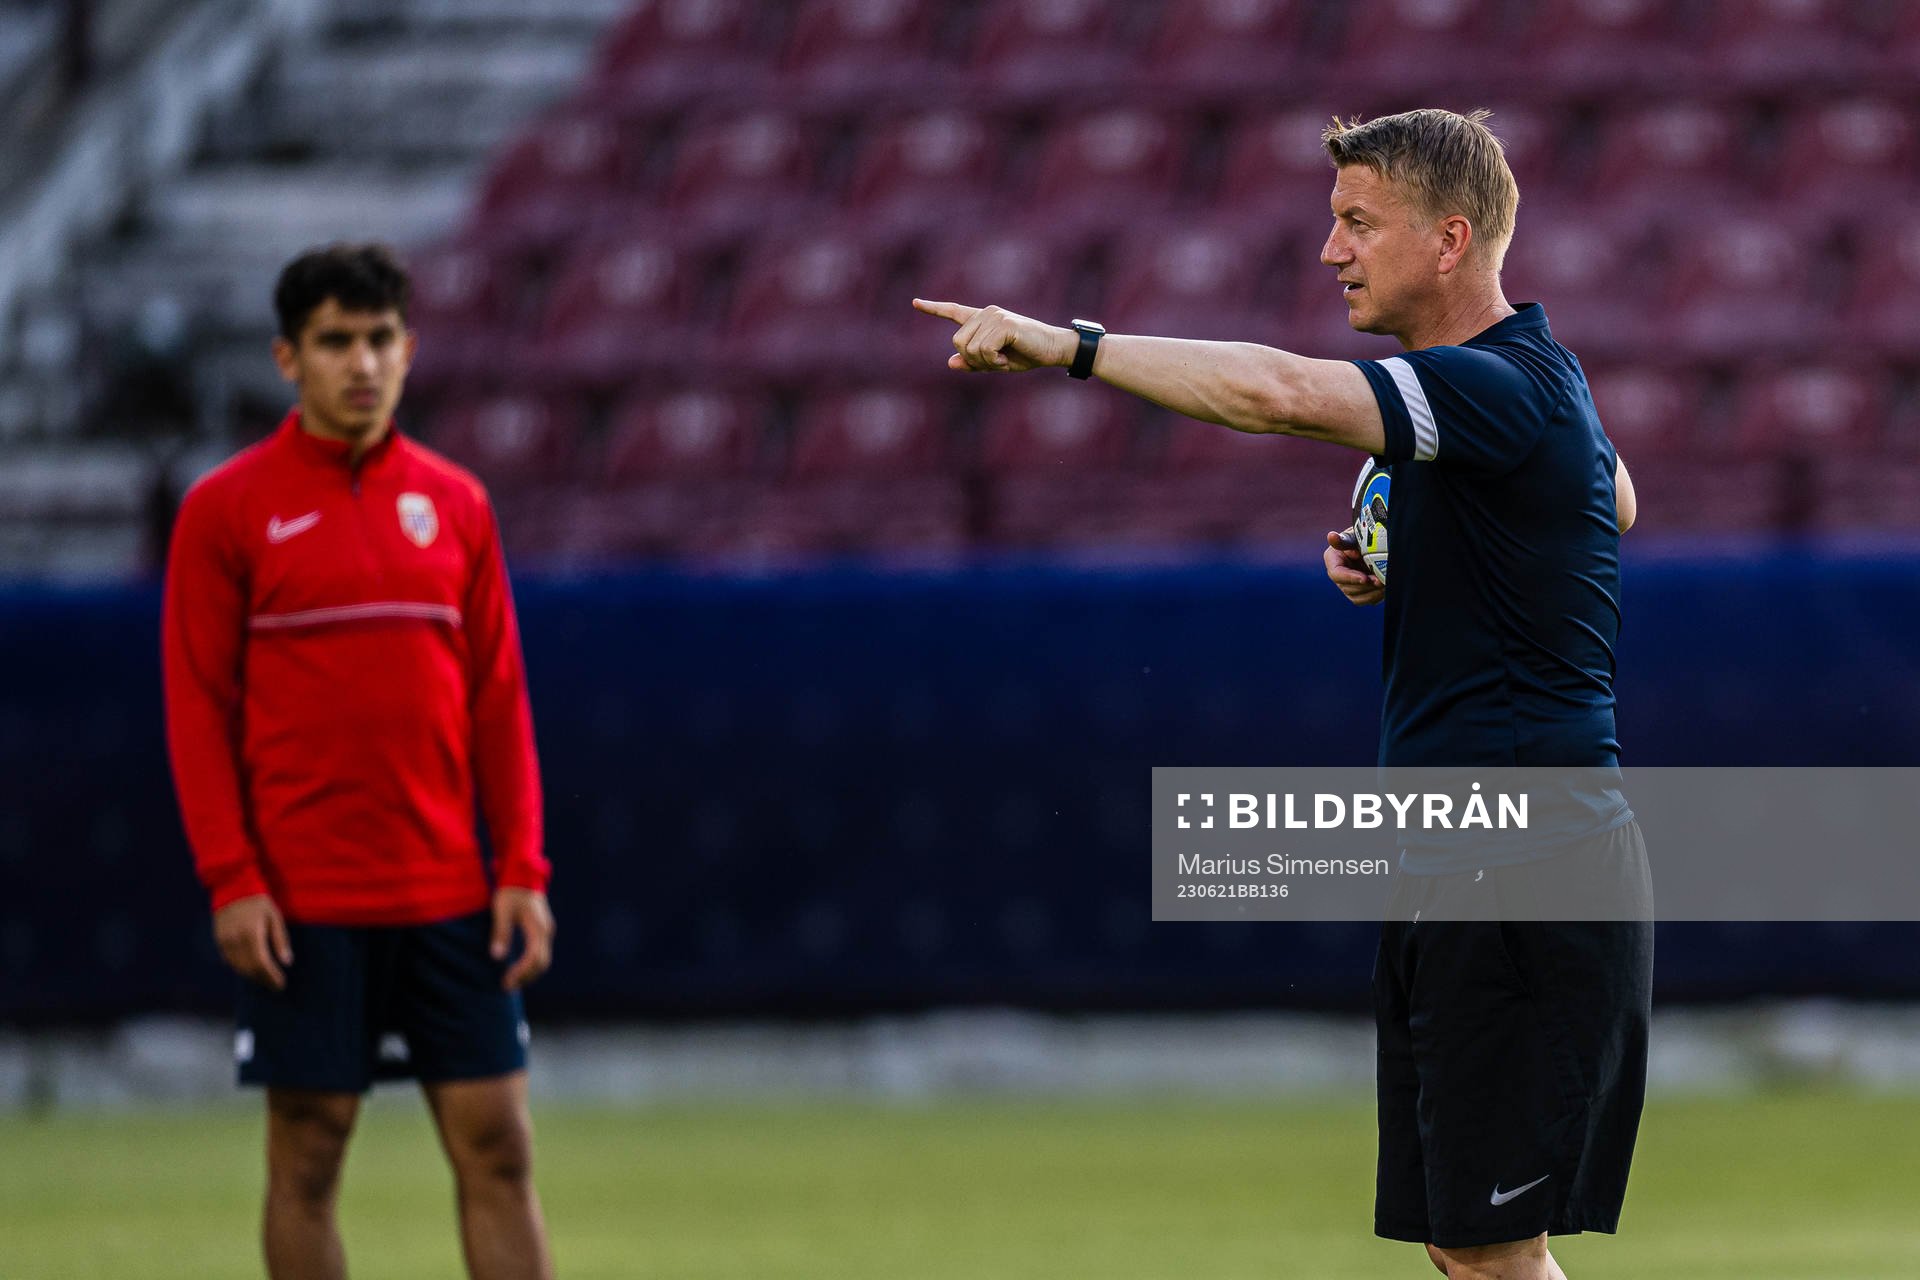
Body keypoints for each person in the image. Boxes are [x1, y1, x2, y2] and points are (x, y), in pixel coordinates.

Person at [915, 109, 1650, 1280]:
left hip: (1522, 849)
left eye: (1359, 222)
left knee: (1491, 1251)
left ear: (1450, 239)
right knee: (1470, 1248)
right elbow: (1608, 499)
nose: (1331, 250)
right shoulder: (1533, 388)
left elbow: (1280, 392)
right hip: (1470, 846)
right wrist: (1425, 553)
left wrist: (1072, 347)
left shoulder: (1502, 389)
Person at [163, 243, 556, 1280]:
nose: (363, 363)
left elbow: (499, 698)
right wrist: (232, 878)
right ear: (288, 358)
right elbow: (197, 709)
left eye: (381, 339)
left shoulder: (459, 504)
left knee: (500, 1146)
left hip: (449, 893)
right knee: (308, 1152)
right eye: (337, 341)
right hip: (304, 896)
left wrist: (521, 865)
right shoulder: (225, 511)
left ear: (411, 349)